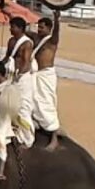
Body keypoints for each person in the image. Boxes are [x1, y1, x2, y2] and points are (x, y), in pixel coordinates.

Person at [31, 11, 62, 150]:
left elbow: (56, 32)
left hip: (46, 75)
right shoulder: (35, 38)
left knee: (47, 103)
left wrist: (57, 19)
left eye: (42, 27)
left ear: (49, 28)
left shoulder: (51, 41)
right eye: (38, 27)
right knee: (35, 101)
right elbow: (21, 29)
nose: (39, 29)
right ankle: (39, 126)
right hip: (36, 75)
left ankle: (54, 137)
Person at [4, 17, 35, 147]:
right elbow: (7, 57)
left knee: (22, 108)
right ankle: (15, 132)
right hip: (11, 76)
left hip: (22, 79)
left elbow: (26, 61)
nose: (11, 29)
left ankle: (28, 138)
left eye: (13, 27)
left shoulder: (27, 43)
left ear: (21, 28)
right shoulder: (11, 41)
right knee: (10, 106)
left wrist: (19, 76)